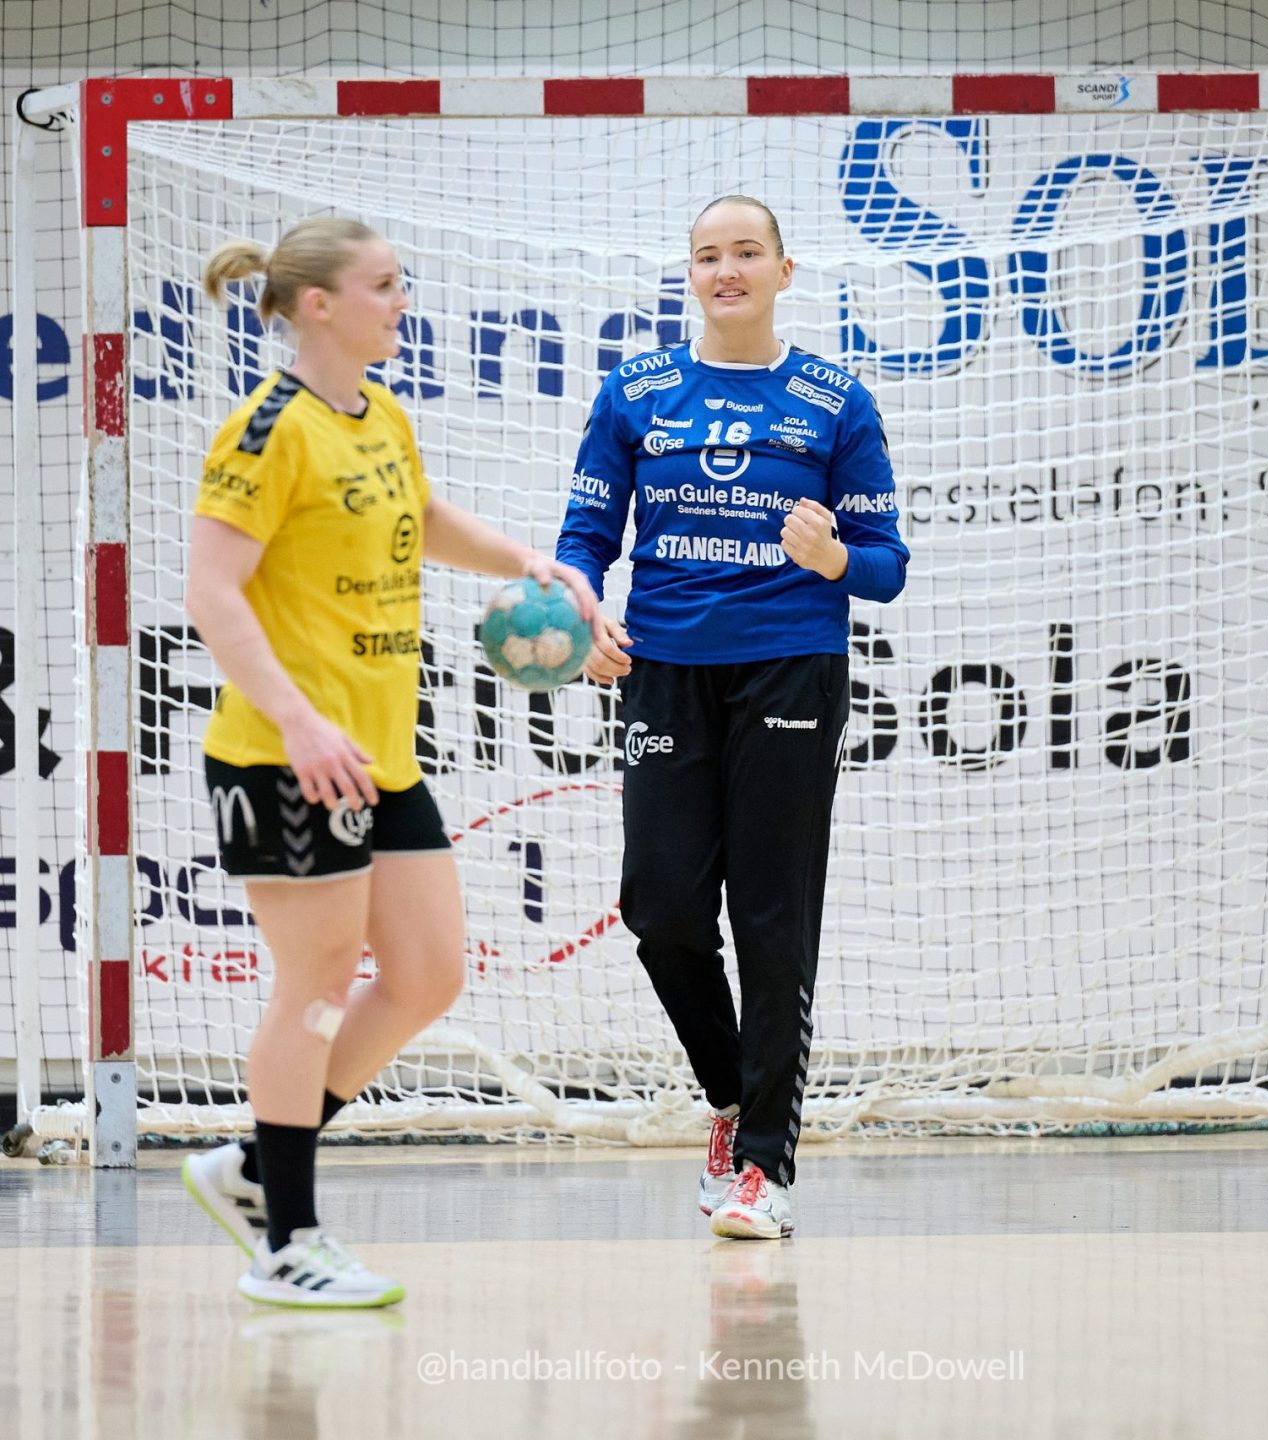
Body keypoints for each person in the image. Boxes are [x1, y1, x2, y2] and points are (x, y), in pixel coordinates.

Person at [181, 217, 601, 1306]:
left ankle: (254, 1166)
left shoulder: (377, 412)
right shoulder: (266, 433)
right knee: (316, 987)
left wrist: (523, 560)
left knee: (425, 974)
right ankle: (288, 1241)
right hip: (288, 758)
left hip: (381, 757)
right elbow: (212, 593)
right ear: (319, 304)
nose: (401, 302)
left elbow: (418, 511)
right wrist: (298, 721)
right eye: (383, 285)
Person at [555, 196, 908, 1239]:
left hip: (791, 671)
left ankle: (762, 1166)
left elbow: (887, 567)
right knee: (661, 911)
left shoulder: (836, 401)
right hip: (664, 668)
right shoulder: (636, 391)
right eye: (708, 255)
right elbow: (585, 535)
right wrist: (582, 614)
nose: (727, 270)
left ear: (783, 272)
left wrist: (833, 558)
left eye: (747, 252)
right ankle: (729, 1097)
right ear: (691, 275)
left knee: (771, 918)